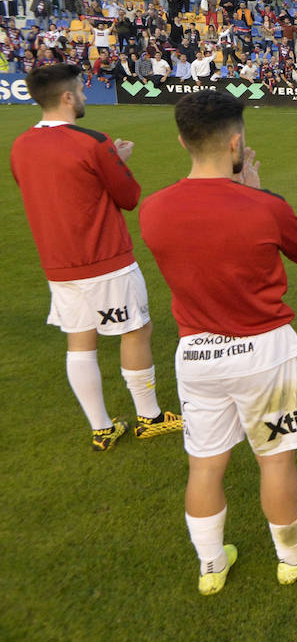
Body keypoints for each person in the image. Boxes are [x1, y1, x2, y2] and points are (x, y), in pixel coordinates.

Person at [139, 90, 297, 595]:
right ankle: (292, 557)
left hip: (198, 355)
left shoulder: (154, 210)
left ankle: (211, 566)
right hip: (263, 353)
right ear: (236, 141)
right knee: (275, 459)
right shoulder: (262, 206)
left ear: (183, 140)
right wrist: (256, 191)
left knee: (205, 465)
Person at [9, 63, 180, 450]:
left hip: (58, 264)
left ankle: (101, 427)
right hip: (105, 259)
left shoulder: (20, 145)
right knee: (135, 331)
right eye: (81, 90)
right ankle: (149, 416)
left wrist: (106, 160)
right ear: (67, 97)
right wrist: (116, 158)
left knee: (80, 341)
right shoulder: (91, 141)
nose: (85, 95)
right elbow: (130, 197)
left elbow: (49, 184)